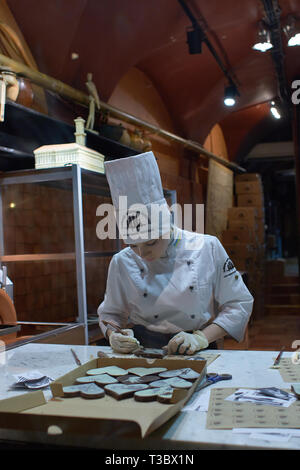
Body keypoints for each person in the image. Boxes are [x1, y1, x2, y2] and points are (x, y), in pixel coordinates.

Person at [97, 151, 253, 355]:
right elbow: (111, 314)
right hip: (143, 352)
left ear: (168, 223)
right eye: (134, 246)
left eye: (151, 243)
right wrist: (113, 335)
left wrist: (201, 338)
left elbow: (238, 303)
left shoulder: (207, 247)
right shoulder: (121, 261)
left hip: (196, 349)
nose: (142, 254)